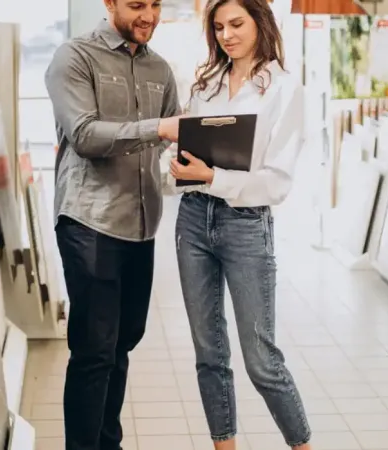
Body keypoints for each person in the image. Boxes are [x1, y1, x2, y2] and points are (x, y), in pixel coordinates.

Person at [164, 0, 312, 449]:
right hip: (192, 218)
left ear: (260, 22)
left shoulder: (284, 89)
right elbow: (184, 148)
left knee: (261, 359)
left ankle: (302, 445)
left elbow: (277, 182)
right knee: (209, 355)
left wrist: (214, 177)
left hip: (245, 225)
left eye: (236, 24)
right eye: (219, 27)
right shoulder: (206, 84)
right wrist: (175, 167)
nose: (227, 34)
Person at [43, 1, 183, 449]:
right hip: (90, 222)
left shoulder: (160, 68)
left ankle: (108, 443)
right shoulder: (75, 57)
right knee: (94, 351)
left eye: (156, 4)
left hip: (140, 225)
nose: (149, 15)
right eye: (137, 4)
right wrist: (158, 129)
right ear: (109, 3)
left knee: (122, 343)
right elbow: (84, 135)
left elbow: (173, 138)